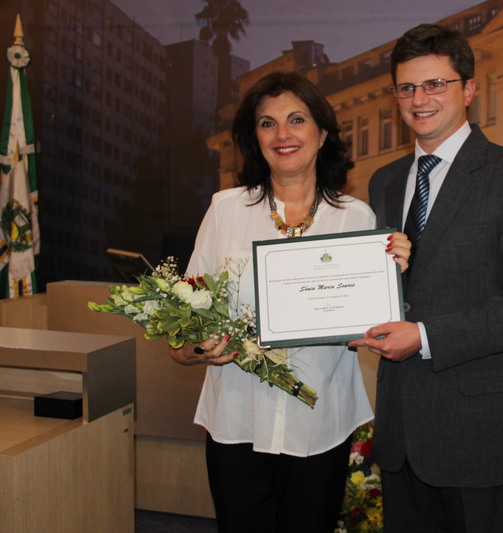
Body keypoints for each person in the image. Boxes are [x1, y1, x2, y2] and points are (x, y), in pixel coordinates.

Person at [168, 72, 410, 533]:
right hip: (237, 418)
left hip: (319, 421)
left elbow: (378, 322)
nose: (282, 135)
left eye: (296, 120)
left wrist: (395, 275)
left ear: (321, 132)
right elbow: (184, 328)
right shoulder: (225, 209)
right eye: (267, 123)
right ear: (253, 138)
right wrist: (195, 350)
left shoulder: (356, 219)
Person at [348, 23, 503, 533]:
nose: (419, 99)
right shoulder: (385, 181)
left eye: (435, 84)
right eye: (406, 87)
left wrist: (423, 337)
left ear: (468, 89)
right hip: (401, 431)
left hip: (476, 433)